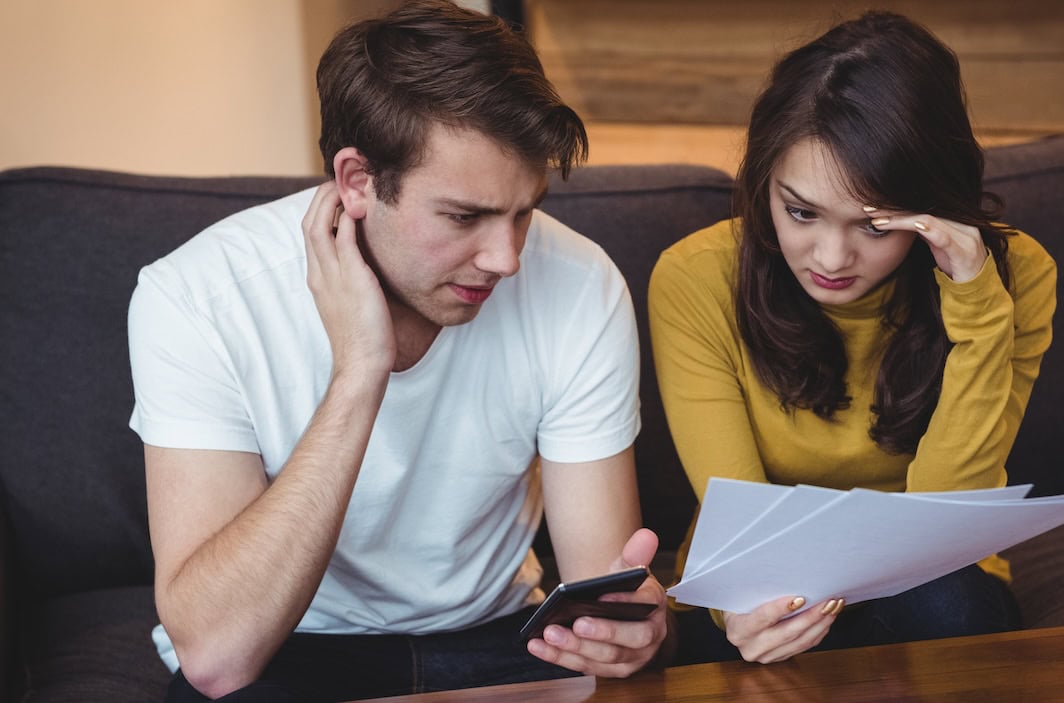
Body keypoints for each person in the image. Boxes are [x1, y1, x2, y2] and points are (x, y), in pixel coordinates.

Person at [128, 2, 672, 700]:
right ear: (357, 181)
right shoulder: (197, 297)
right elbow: (217, 654)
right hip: (291, 650)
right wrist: (359, 370)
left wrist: (623, 630)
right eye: (464, 215)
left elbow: (599, 576)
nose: (506, 259)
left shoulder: (579, 281)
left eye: (523, 211)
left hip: (503, 639)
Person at [648, 11, 1056, 666]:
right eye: (801, 212)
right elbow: (740, 517)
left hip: (930, 585)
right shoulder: (696, 277)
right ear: (762, 185)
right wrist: (744, 611)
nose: (831, 258)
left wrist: (975, 304)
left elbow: (943, 527)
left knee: (948, 598)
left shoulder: (1013, 277)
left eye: (873, 225)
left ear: (935, 208)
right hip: (758, 586)